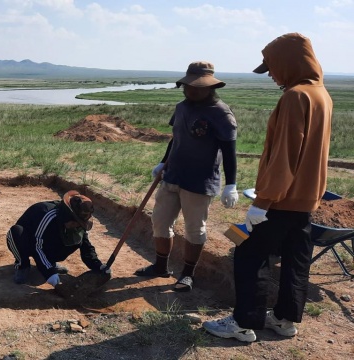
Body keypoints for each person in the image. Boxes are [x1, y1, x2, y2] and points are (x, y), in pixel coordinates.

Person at [203, 33, 332, 342]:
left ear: (289, 61)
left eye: (272, 67)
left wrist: (264, 201)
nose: (272, 74)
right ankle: (285, 320)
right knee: (296, 260)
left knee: (250, 254)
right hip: (305, 201)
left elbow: (285, 154)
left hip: (281, 200)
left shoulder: (295, 96)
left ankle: (243, 324)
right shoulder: (322, 94)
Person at [134, 61, 238, 292]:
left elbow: (230, 152)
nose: (191, 90)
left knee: (194, 229)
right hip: (172, 175)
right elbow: (176, 138)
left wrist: (231, 184)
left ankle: (188, 274)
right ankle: (160, 267)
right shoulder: (182, 107)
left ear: (210, 87)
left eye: (197, 87)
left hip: (199, 183)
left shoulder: (221, 114)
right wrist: (163, 161)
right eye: (188, 86)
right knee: (160, 222)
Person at [6, 190, 109, 291]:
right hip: (28, 241)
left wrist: (98, 265)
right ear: (68, 215)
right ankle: (22, 265)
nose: (77, 225)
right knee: (16, 233)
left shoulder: (77, 225)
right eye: (76, 222)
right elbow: (36, 246)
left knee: (76, 239)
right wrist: (50, 274)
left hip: (46, 241)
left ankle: (50, 262)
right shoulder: (48, 215)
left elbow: (85, 245)